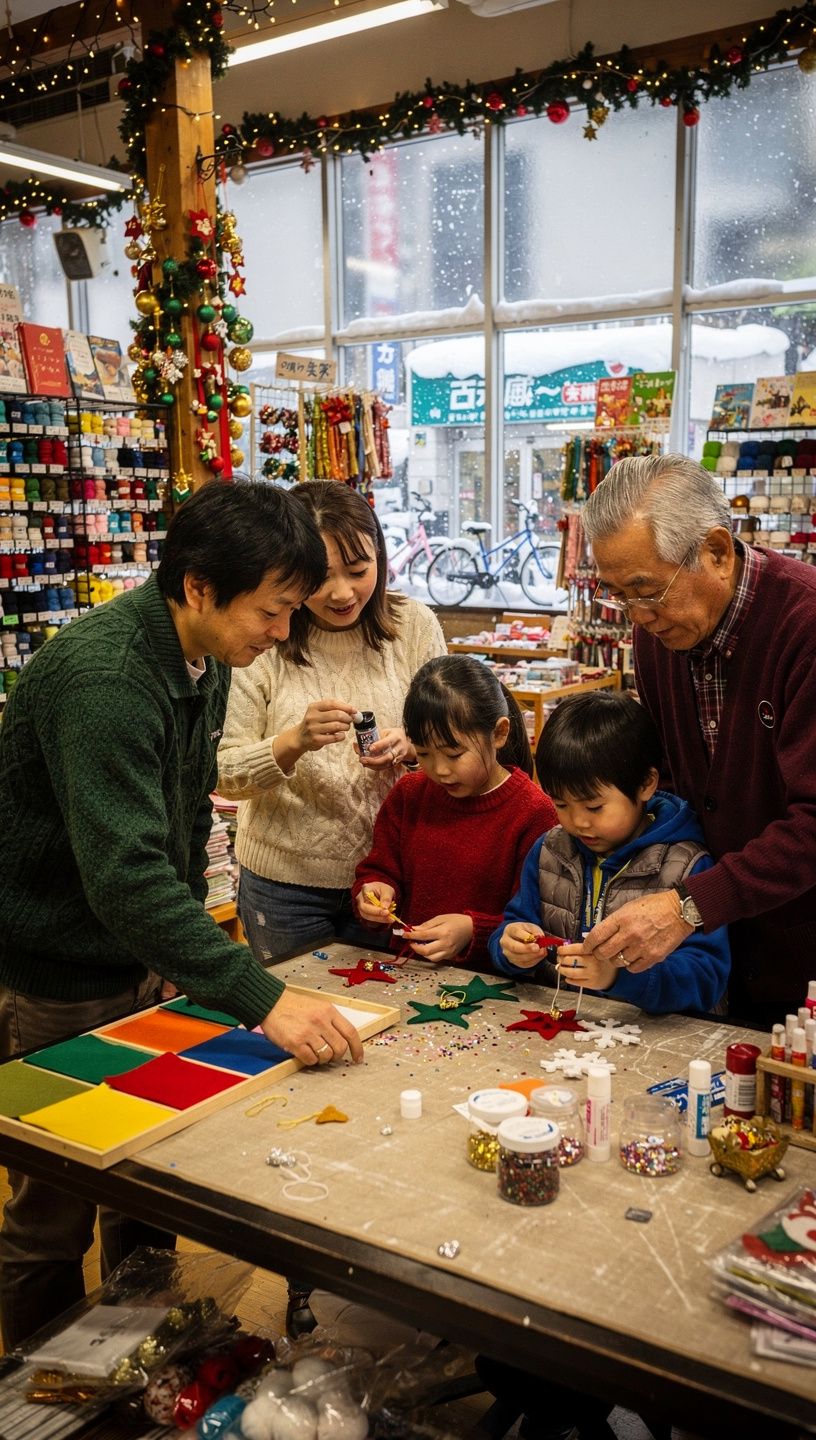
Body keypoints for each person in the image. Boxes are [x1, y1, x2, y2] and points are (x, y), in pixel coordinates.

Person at [0, 480, 364, 1350]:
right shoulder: (109, 679)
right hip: (57, 973)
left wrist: (181, 953)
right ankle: (45, 1389)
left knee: (148, 1174)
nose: (283, 633)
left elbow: (186, 809)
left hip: (137, 956)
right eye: (272, 612)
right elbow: (124, 877)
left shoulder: (198, 657)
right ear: (199, 587)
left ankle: (143, 1353)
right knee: (54, 1208)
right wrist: (261, 997)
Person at [579, 452, 816, 1024]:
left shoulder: (804, 627)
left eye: (645, 590)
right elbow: (676, 784)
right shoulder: (660, 635)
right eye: (617, 594)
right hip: (721, 953)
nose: (635, 616)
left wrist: (691, 904)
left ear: (714, 550)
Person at [217, 480, 446, 962]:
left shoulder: (414, 626)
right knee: (296, 1024)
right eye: (320, 578)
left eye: (359, 570)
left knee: (389, 1023)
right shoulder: (262, 639)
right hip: (284, 887)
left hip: (392, 880)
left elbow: (454, 748)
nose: (343, 593)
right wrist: (293, 741)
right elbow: (224, 774)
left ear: (380, 559)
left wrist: (415, 748)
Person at [489, 690, 730, 1012]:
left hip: (648, 1044)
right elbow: (515, 924)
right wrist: (509, 947)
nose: (577, 822)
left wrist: (619, 977)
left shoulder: (687, 866)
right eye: (561, 804)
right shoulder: (549, 850)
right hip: (558, 1032)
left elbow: (705, 980)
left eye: (594, 806)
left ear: (646, 784)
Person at [353, 656, 557, 966]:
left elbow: (534, 921)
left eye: (454, 754)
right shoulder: (409, 795)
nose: (439, 770)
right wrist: (376, 892)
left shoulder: (533, 813)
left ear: (499, 733)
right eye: (423, 753)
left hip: (492, 986)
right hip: (407, 972)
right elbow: (380, 870)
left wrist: (473, 929)